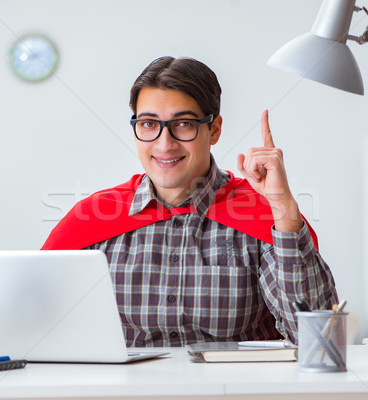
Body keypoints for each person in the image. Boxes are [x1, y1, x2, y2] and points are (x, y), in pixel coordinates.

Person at [42, 56, 338, 347]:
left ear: (215, 130)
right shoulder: (92, 218)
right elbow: (37, 322)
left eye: (183, 123)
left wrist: (282, 205)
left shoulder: (263, 215)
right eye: (148, 124)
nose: (164, 143)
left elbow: (319, 340)